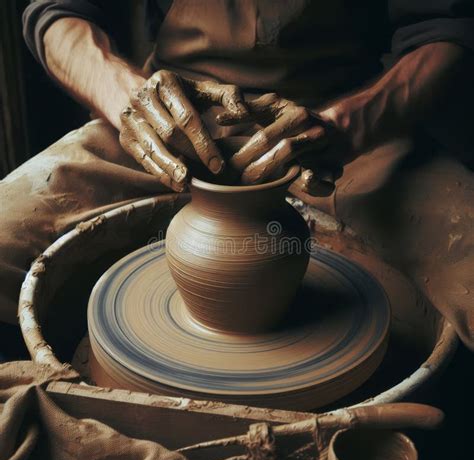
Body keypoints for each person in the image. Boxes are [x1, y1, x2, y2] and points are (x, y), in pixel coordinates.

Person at [0, 0, 472, 348]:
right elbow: (56, 13)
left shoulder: (347, 127)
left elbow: (445, 29)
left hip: (346, 130)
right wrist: (128, 97)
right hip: (171, 119)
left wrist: (346, 125)